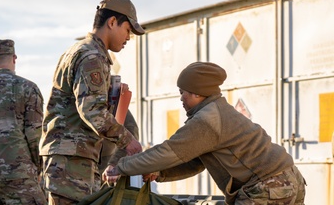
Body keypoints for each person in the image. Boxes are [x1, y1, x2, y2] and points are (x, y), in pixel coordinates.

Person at [106, 62, 307, 205]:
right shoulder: (217, 111)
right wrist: (160, 173)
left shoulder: (207, 119)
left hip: (268, 186)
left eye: (182, 92)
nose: (181, 98)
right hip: (288, 180)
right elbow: (196, 162)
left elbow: (168, 152)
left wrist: (121, 167)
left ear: (197, 92)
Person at [39, 0, 144, 204]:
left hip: (70, 157)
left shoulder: (80, 50)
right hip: (71, 160)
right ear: (112, 23)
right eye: (127, 30)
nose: (128, 37)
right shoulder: (91, 56)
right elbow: (93, 111)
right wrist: (127, 140)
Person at [0, 39, 47, 205]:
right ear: (14, 58)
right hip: (17, 173)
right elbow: (34, 134)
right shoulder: (28, 88)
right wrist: (38, 168)